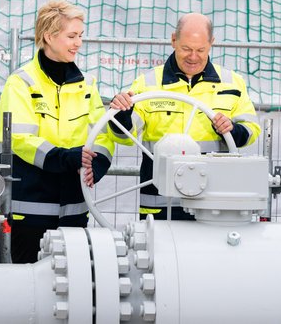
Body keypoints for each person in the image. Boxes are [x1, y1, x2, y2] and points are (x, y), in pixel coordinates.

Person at [108, 12, 261, 220]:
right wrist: (123, 114)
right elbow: (125, 135)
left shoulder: (232, 83)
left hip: (213, 203)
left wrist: (232, 130)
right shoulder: (148, 83)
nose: (193, 57)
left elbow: (251, 130)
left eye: (201, 50)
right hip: (160, 205)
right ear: (173, 40)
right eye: (186, 49)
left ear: (212, 43)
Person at [0, 0, 113, 263]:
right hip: (31, 210)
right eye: (72, 36)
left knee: (73, 285)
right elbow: (19, 139)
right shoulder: (21, 82)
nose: (78, 43)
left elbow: (102, 133)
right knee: (28, 288)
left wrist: (98, 164)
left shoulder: (87, 84)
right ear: (49, 36)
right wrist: (67, 158)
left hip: (74, 208)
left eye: (80, 36)